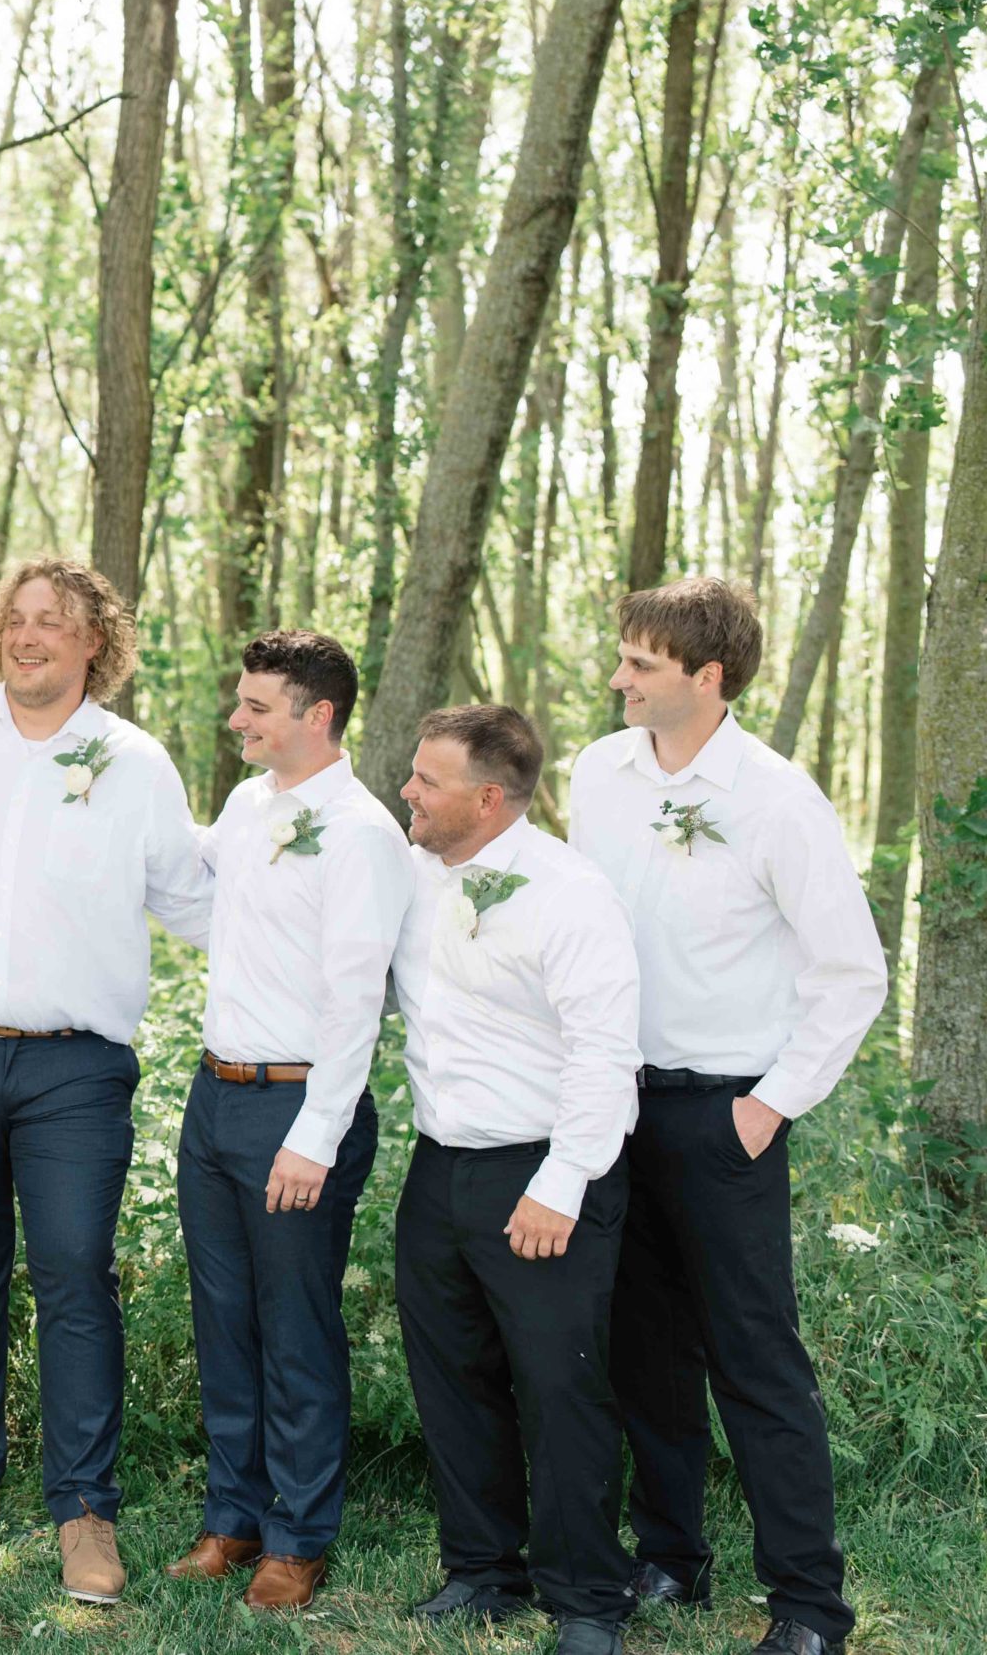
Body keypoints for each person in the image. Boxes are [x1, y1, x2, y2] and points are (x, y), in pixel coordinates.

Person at [0, 556, 205, 1604]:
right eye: (15, 619)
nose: (29, 636)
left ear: (92, 642)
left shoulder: (134, 759)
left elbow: (197, 904)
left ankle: (82, 1509)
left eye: (53, 622)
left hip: (74, 1063)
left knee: (73, 1271)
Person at [571, 578, 883, 1655]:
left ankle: (806, 1603)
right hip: (611, 1106)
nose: (617, 676)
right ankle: (672, 1555)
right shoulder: (595, 776)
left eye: (641, 664)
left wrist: (766, 1105)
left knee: (755, 1358)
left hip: (724, 1115)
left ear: (706, 678)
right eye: (622, 655)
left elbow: (852, 973)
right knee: (642, 1350)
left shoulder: (776, 797)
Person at [165, 630, 409, 1610]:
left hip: (300, 1104)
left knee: (295, 1327)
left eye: (256, 706)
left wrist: (316, 1131)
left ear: (318, 714)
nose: (236, 720)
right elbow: (204, 903)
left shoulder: (360, 831)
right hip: (215, 1092)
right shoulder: (245, 801)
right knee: (224, 1321)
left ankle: (298, 1537)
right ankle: (232, 1517)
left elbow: (357, 998)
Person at [390, 704, 640, 1655]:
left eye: (427, 779)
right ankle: (483, 1570)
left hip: (544, 1170)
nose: (408, 790)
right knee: (453, 1376)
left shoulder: (569, 892)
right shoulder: (410, 875)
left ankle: (586, 1598)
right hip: (439, 1162)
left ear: (488, 798)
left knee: (561, 1387)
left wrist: (563, 1180)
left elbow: (604, 1051)